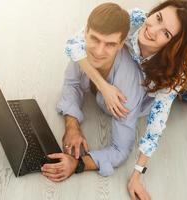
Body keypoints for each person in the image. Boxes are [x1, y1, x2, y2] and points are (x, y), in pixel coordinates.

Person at [62, 1, 187, 200]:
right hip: (161, 57)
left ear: (172, 44)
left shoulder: (177, 75)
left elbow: (155, 128)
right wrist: (104, 87)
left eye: (166, 33)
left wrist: (136, 176)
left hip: (186, 76)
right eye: (158, 18)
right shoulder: (135, 19)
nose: (152, 31)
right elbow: (74, 45)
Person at [41, 2, 149, 187]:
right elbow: (71, 83)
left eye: (110, 44)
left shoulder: (128, 91)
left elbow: (120, 150)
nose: (98, 51)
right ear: (85, 32)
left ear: (121, 44)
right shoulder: (81, 51)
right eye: (95, 39)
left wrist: (79, 164)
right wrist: (72, 125)